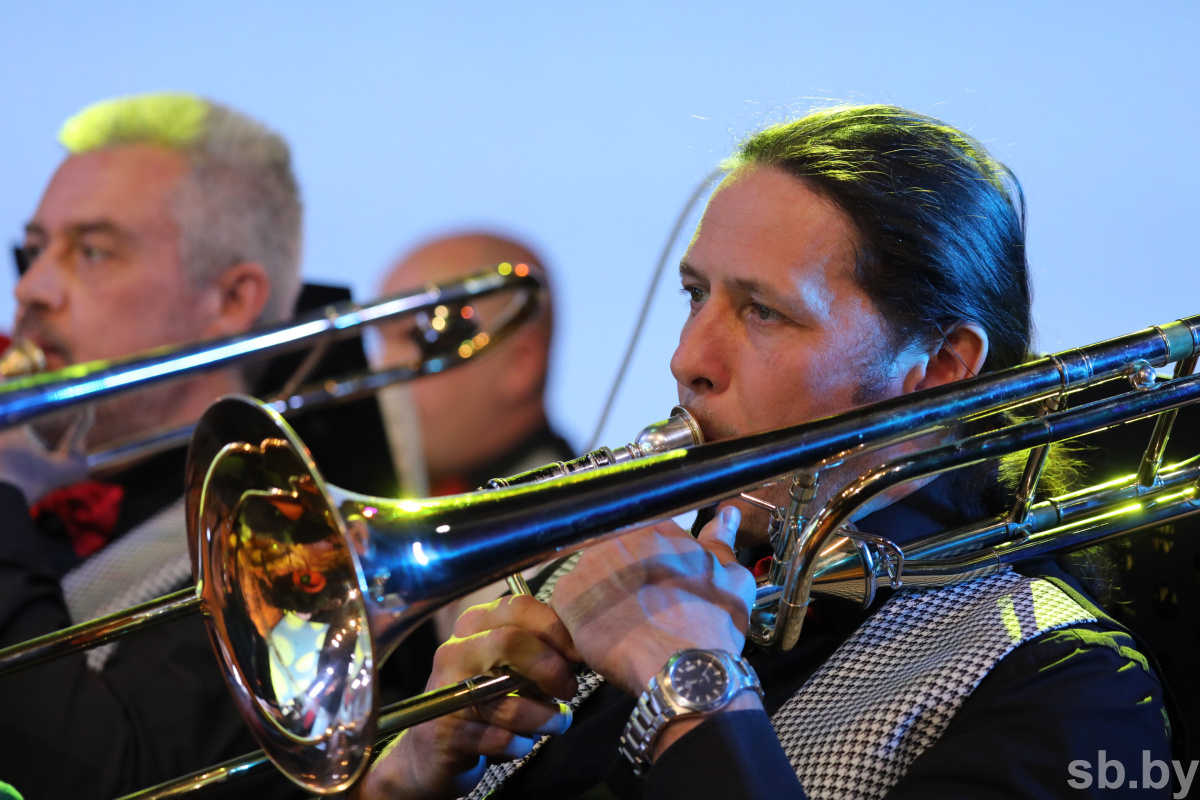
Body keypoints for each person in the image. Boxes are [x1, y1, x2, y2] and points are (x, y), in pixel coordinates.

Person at [360, 105, 1172, 799]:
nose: (687, 359)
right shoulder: (621, 576)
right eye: (696, 295)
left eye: (764, 313)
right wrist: (408, 774)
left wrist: (691, 686)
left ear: (939, 369)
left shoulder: (1070, 686)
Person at [0, 93, 303, 798]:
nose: (32, 288)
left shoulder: (278, 547)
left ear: (230, 300)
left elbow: (104, 776)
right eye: (36, 249)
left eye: (92, 251)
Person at [372, 232, 574, 644]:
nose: (382, 369)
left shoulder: (566, 554)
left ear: (521, 363)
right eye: (379, 342)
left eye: (419, 337)